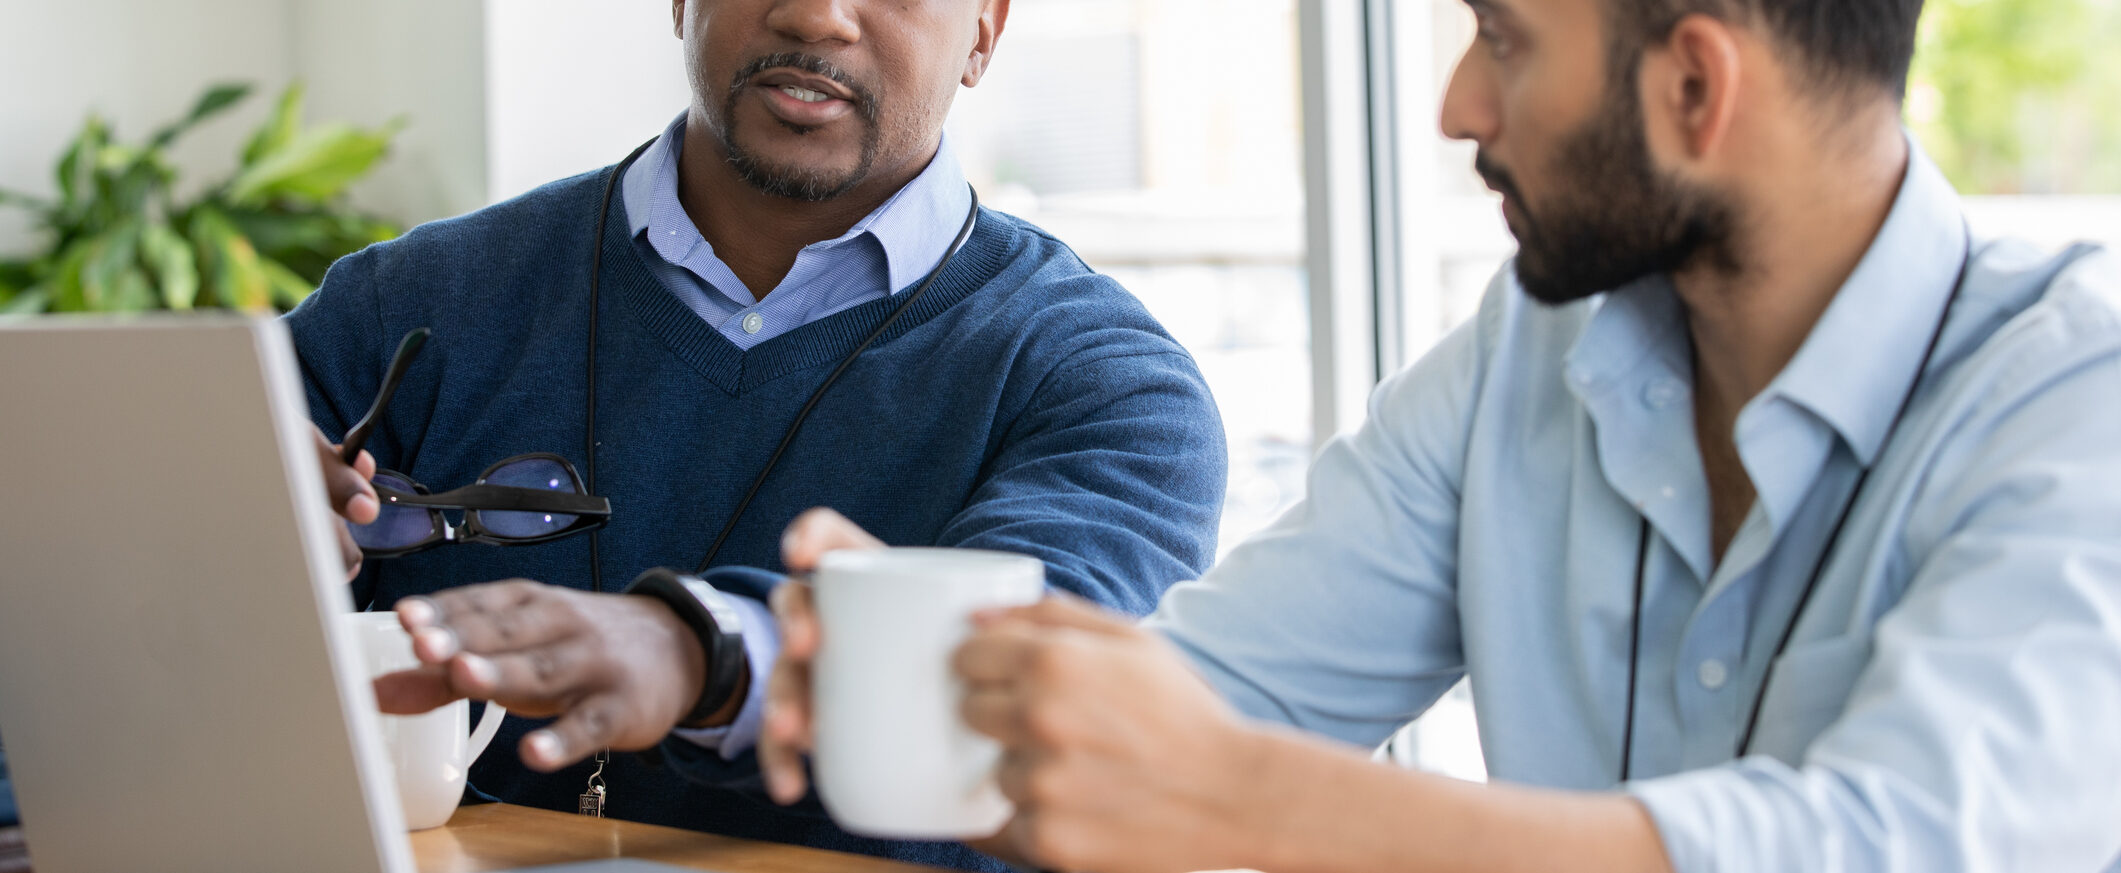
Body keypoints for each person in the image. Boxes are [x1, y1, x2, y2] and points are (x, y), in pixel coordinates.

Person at [747, 0, 2121, 870]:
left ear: (1696, 89)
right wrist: (933, 703)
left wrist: (1236, 794)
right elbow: (1217, 698)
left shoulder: (2074, 407)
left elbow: (1902, 845)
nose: (1458, 104)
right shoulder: (1532, 353)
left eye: (1502, 37)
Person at [291, 0, 1226, 869]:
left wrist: (701, 649)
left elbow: (1015, 674)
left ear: (985, 27)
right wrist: (222, 533)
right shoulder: (400, 308)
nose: (815, 13)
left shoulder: (1105, 387)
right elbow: (183, 595)